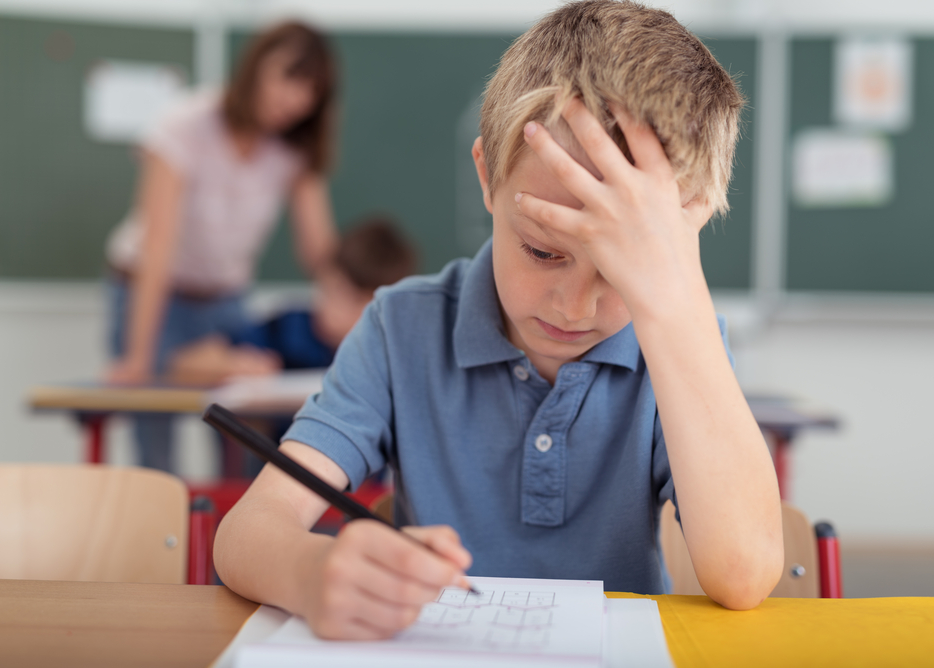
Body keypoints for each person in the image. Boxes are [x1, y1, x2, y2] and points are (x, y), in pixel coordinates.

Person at [213, 0, 785, 640]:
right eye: (542, 251)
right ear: (488, 176)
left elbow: (745, 573)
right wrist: (310, 570)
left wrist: (674, 302)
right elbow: (246, 532)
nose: (573, 306)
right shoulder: (401, 329)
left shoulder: (680, 344)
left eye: (620, 270)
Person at [104, 22, 338, 472]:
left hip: (225, 302)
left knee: (242, 443)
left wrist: (353, 319)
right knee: (155, 450)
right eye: (288, 77)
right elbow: (158, 245)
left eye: (311, 90)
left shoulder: (293, 149)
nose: (294, 99)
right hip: (153, 295)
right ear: (256, 67)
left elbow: (319, 252)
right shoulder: (184, 125)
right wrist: (138, 356)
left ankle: (231, 524)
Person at [164, 216, 418, 386]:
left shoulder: (393, 356)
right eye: (334, 289)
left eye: (356, 301)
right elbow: (182, 365)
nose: (337, 308)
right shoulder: (288, 329)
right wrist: (232, 365)